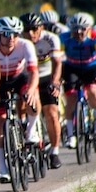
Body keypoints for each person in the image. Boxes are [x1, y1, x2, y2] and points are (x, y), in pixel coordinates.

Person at [0, 16, 39, 182]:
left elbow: (33, 72)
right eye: (6, 34)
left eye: (15, 34)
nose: (11, 38)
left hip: (20, 78)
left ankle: (31, 130)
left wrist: (31, 91)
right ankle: (3, 169)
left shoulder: (25, 45)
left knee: (33, 100)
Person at [20, 12, 63, 169]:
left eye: (34, 29)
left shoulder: (51, 39)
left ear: (41, 28)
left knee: (51, 113)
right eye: (27, 30)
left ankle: (54, 151)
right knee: (23, 104)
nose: (31, 33)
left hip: (46, 76)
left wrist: (56, 82)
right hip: (27, 77)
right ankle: (25, 128)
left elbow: (57, 63)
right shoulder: (18, 41)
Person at [60, 12, 96, 148]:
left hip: (91, 67)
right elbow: (57, 60)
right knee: (71, 98)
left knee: (93, 90)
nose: (79, 32)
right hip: (71, 67)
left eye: (83, 28)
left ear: (89, 28)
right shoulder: (63, 38)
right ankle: (70, 135)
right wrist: (57, 79)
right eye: (75, 28)